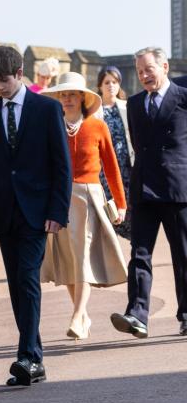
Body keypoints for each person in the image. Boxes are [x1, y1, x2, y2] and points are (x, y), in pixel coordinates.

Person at [0, 46, 71, 386]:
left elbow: (62, 166)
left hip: (37, 213)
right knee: (16, 285)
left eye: (6, 79)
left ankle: (27, 356)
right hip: (4, 214)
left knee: (28, 279)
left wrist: (58, 211)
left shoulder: (47, 109)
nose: (1, 87)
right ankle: (35, 359)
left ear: (20, 72)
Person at [39, 72, 127, 340]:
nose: (66, 99)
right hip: (59, 199)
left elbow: (111, 167)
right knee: (68, 261)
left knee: (84, 258)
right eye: (62, 95)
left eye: (71, 94)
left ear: (82, 98)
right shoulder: (51, 127)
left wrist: (120, 203)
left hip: (89, 198)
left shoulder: (97, 127)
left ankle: (78, 315)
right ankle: (82, 314)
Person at [111, 47, 187, 338]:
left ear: (164, 67)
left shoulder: (183, 97)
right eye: (140, 71)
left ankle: (186, 313)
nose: (143, 76)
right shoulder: (134, 103)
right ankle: (137, 314)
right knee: (139, 254)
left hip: (177, 188)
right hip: (144, 189)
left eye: (149, 70)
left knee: (183, 255)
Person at [96, 66, 133, 240]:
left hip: (127, 170)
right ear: (100, 86)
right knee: (107, 222)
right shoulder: (94, 111)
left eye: (115, 82)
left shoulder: (127, 108)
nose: (111, 85)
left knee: (131, 222)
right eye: (107, 82)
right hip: (104, 172)